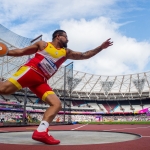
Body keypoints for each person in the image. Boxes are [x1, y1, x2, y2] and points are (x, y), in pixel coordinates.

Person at [0, 30, 113, 144]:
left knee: (56, 104)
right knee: (4, 90)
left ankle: (41, 132)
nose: (68, 39)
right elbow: (22, 51)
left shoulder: (66, 52)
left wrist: (101, 47)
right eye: (66, 37)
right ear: (58, 36)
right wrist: (6, 51)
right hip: (31, 71)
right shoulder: (43, 45)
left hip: (41, 81)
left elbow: (85, 55)